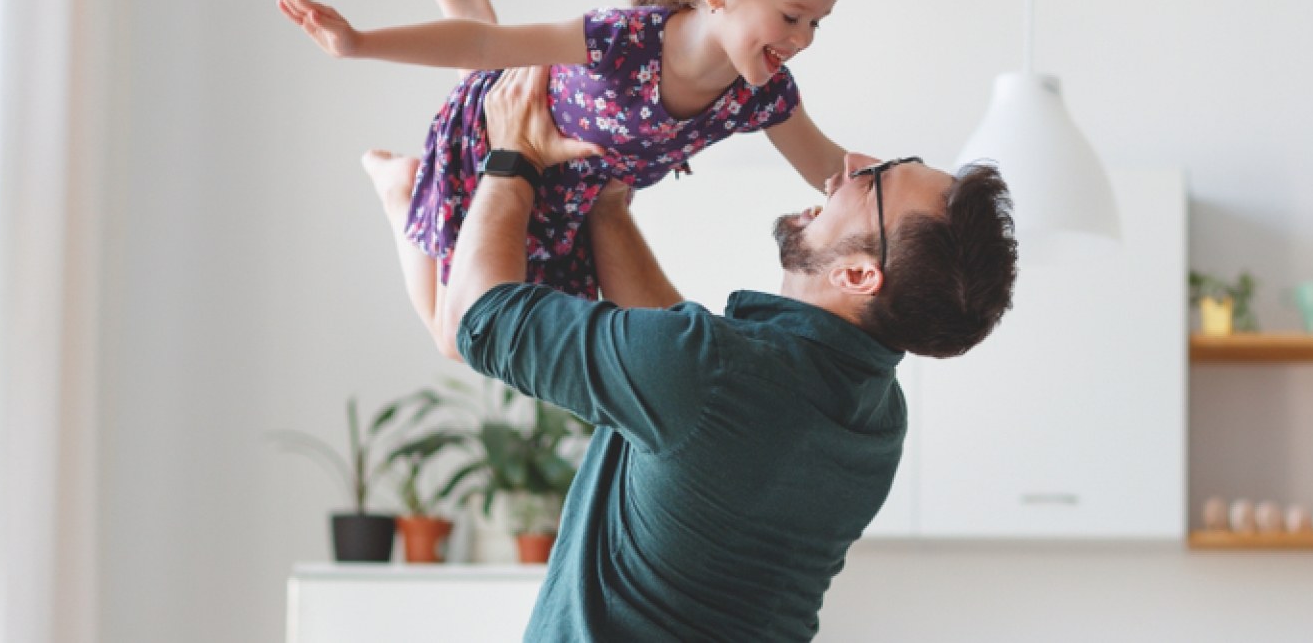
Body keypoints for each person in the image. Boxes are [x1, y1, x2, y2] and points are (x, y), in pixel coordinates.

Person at [401, 63, 1016, 641]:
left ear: (858, 276)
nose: (851, 163)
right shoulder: (874, 417)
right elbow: (681, 368)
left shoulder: (712, 374)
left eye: (876, 179)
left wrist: (515, 154)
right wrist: (606, 203)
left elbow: (475, 320)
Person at [278, 0, 857, 356]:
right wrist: (354, 41)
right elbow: (484, 45)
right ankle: (401, 190)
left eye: (817, 23)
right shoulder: (623, 40)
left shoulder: (763, 95)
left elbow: (833, 168)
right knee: (457, 340)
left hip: (566, 202)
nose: (802, 39)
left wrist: (941, 190)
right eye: (792, 16)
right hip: (495, 144)